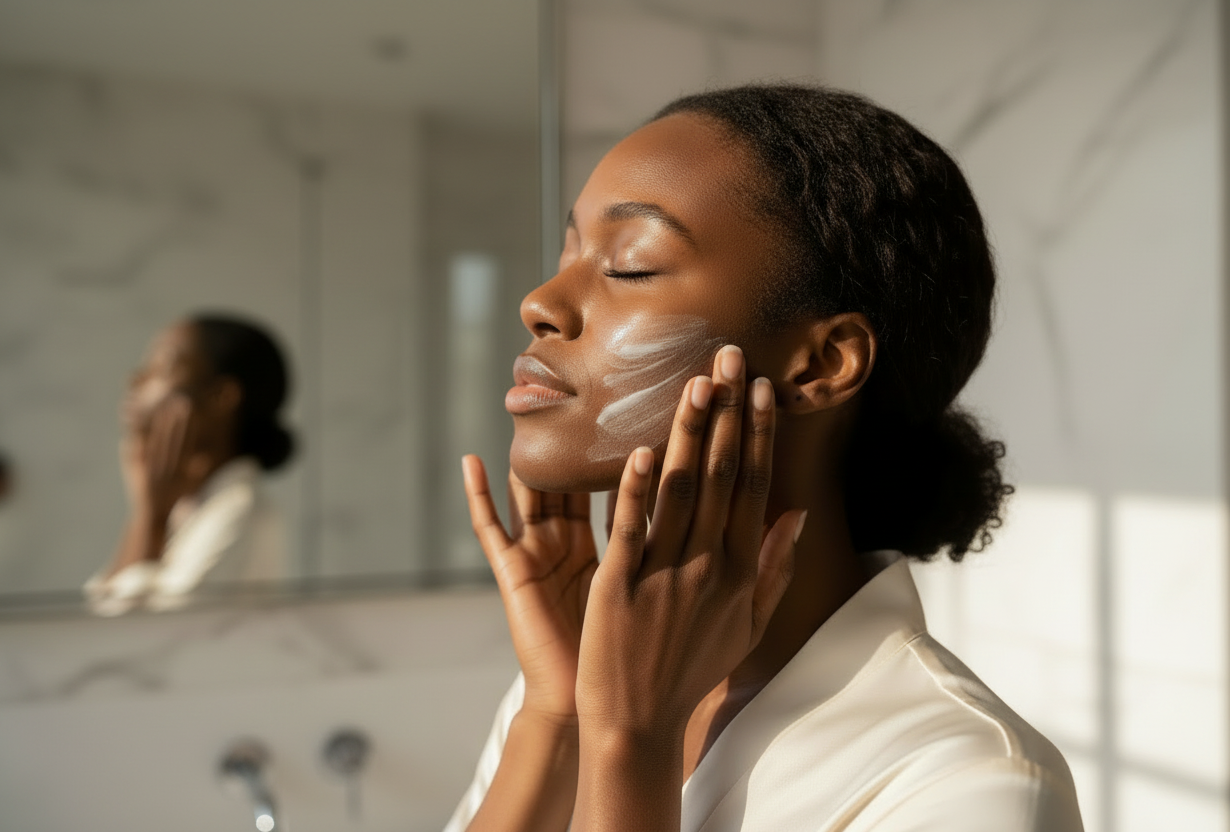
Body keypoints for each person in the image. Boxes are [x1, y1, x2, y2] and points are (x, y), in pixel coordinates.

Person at [446, 84, 1084, 831]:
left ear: (820, 365)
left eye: (630, 264)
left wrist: (629, 744)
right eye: (568, 253)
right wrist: (555, 721)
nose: (540, 301)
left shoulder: (971, 783)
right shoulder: (573, 691)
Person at [84, 313, 295, 616]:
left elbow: (131, 641)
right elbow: (93, 616)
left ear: (221, 397)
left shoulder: (241, 512)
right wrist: (148, 510)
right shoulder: (183, 507)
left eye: (161, 369)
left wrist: (152, 518)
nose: (134, 380)